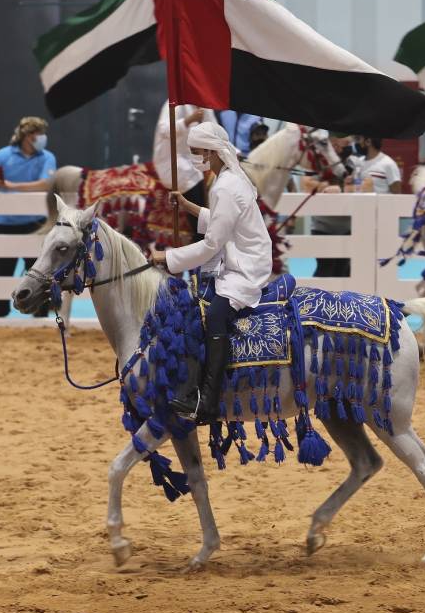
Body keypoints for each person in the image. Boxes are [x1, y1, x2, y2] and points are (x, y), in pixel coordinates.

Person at [151, 122, 272, 423]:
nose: (194, 158)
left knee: (215, 314)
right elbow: (220, 221)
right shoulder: (226, 180)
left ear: (210, 151)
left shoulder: (226, 186)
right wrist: (188, 206)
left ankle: (207, 400)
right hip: (236, 258)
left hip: (246, 266)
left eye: (195, 152)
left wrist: (167, 257)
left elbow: (212, 244)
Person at [0, 116, 57, 318]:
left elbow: (46, 184)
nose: (42, 137)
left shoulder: (47, 157)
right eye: (38, 133)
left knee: (40, 276)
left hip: (37, 225)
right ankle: (0, 315)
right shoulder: (3, 155)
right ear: (27, 136)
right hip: (4, 224)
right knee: (0, 274)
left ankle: (40, 317)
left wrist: (11, 186)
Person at [302, 131, 353, 277]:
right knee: (325, 270)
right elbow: (306, 184)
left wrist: (341, 189)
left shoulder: (353, 162)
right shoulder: (319, 160)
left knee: (345, 272)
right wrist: (326, 187)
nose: (347, 147)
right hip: (323, 227)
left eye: (348, 144)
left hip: (347, 227)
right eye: (346, 143)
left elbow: (364, 185)